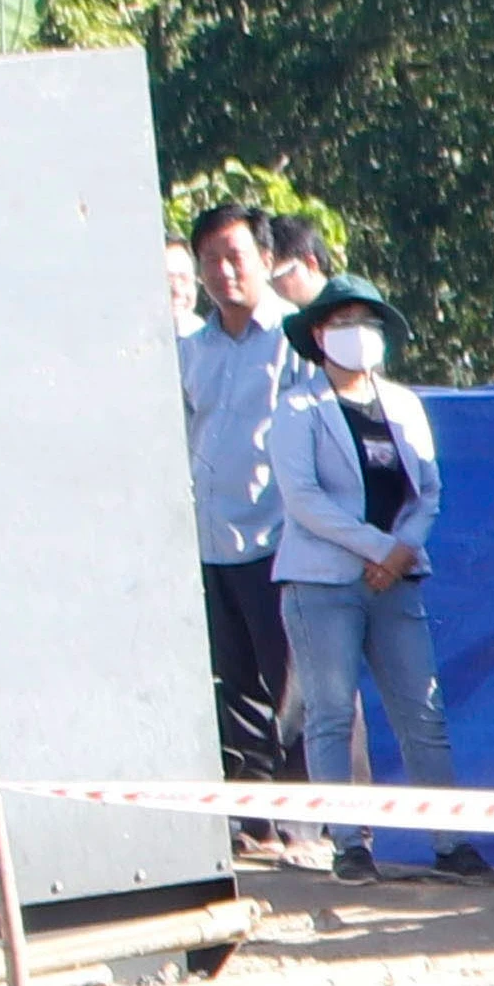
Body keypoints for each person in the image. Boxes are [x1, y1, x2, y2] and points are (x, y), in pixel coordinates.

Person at [257, 282, 466, 874]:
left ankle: (450, 842)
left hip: (396, 582)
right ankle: (349, 843)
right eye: (343, 319)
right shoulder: (297, 409)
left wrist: (403, 551)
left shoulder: (403, 404)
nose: (356, 330)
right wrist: (380, 548)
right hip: (321, 583)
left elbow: (428, 491)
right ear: (318, 336)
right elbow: (303, 499)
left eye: (366, 320)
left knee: (422, 714)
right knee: (330, 713)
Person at [176, 202, 299, 825]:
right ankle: (256, 823)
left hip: (281, 539)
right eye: (211, 260)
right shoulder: (190, 349)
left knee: (301, 690)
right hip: (211, 540)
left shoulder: (296, 338)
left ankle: (319, 824)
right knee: (239, 687)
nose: (224, 272)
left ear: (267, 261)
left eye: (236, 257)